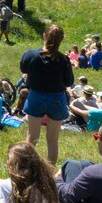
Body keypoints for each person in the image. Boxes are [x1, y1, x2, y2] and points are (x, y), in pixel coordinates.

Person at [20, 24, 73, 165]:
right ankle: (49, 173)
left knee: (32, 138)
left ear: (44, 36)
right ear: (61, 40)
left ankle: (25, 169)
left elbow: (23, 68)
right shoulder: (64, 60)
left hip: (36, 96)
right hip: (56, 98)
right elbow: (69, 81)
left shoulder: (31, 55)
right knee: (53, 140)